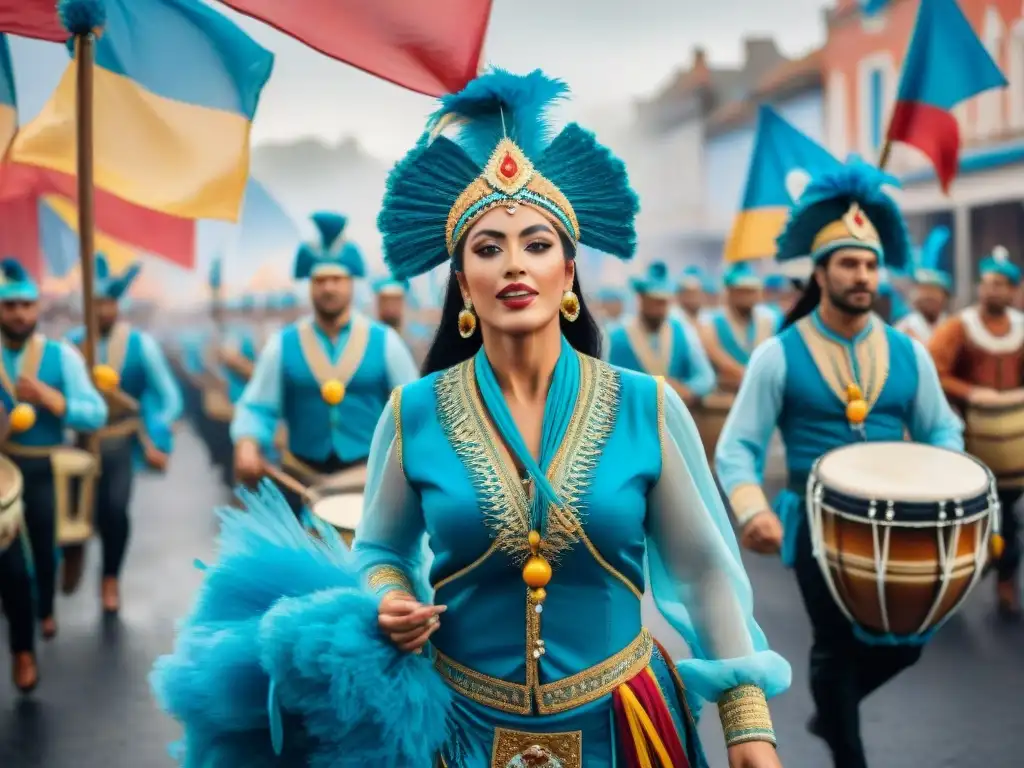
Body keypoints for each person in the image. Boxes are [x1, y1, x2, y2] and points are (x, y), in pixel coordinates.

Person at [153, 69, 789, 768]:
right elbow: (381, 551)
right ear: (462, 281)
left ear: (569, 273)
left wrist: (747, 724)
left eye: (537, 245)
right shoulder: (414, 413)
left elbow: (703, 570)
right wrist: (389, 598)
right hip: (459, 730)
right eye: (488, 249)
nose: (514, 265)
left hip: (621, 726)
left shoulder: (646, 406)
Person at [715, 158, 963, 768]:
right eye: (848, 263)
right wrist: (752, 510)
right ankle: (848, 753)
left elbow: (942, 429)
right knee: (833, 643)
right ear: (820, 273)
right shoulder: (778, 354)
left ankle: (831, 711)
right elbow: (738, 446)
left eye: (870, 265)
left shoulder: (909, 353)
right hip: (812, 519)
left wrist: (950, 494)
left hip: (902, 521)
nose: (863, 275)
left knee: (907, 641)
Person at [231, 212, 419, 515]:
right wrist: (247, 442)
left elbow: (412, 411)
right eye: (320, 280)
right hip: (300, 478)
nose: (328, 288)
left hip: (368, 481)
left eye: (337, 279)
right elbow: (257, 406)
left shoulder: (386, 343)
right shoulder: (282, 344)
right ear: (309, 284)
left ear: (351, 283)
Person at [0, 259, 107, 681]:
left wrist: (52, 399)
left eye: (26, 305)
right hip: (2, 469)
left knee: (45, 547)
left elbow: (95, 414)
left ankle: (44, 607)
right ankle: (22, 643)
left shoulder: (61, 356)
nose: (18, 314)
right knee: (10, 561)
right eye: (10, 306)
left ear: (37, 308)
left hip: (44, 463)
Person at [66, 255, 183, 612]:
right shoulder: (71, 345)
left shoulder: (140, 345)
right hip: (80, 440)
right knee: (74, 512)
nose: (104, 310)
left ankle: (110, 577)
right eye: (97, 302)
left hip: (120, 438)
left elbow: (170, 397)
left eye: (110, 302)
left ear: (118, 305)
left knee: (115, 510)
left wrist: (158, 432)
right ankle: (72, 554)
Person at [927, 245, 1023, 619]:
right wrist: (971, 393)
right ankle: (952, 581)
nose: (991, 290)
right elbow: (935, 369)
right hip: (969, 440)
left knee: (1009, 518)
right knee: (965, 515)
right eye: (986, 283)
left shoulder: (1019, 328)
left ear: (1012, 290)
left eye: (999, 284)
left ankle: (1005, 578)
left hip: (1013, 447)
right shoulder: (960, 327)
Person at [607, 261, 716, 407]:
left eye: (663, 302)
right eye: (654, 301)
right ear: (642, 299)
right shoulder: (617, 336)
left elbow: (706, 377)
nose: (659, 309)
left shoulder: (680, 330)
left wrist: (687, 389)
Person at [699, 263, 779, 392]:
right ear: (730, 292)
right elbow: (715, 354)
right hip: (725, 393)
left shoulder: (769, 319)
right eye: (742, 291)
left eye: (752, 291)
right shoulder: (710, 322)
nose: (748, 297)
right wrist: (748, 376)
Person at [895, 226, 952, 345]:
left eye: (933, 291)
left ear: (944, 296)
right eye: (924, 290)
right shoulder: (902, 330)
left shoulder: (953, 328)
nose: (928, 295)